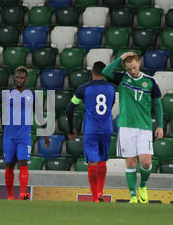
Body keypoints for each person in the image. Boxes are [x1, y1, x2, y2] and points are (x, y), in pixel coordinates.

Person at [102, 52, 164, 204]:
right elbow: (105, 72)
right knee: (130, 162)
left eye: (134, 68)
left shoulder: (150, 81)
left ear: (139, 64)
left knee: (146, 162)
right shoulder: (122, 78)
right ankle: (133, 196)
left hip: (144, 127)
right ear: (125, 68)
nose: (133, 71)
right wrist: (120, 58)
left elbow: (158, 104)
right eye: (129, 69)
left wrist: (160, 125)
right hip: (126, 126)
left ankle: (142, 185)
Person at [66, 62, 115, 202]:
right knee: (103, 161)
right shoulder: (111, 88)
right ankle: (101, 192)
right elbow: (110, 106)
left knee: (93, 162)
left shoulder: (83, 88)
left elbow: (69, 109)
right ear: (104, 72)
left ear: (92, 72)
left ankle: (95, 197)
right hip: (106, 129)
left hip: (91, 130)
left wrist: (71, 129)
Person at [2, 66, 50, 200]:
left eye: (22, 77)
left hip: (24, 136)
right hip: (9, 136)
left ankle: (23, 193)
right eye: (17, 77)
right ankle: (10, 196)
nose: (19, 80)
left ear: (26, 79)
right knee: (9, 165)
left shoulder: (31, 95)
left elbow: (39, 115)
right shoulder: (7, 94)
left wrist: (46, 134)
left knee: (23, 163)